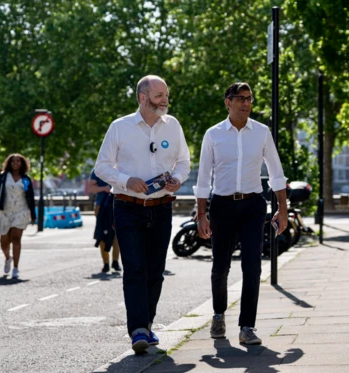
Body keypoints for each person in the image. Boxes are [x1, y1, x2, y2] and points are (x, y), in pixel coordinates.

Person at [94, 75, 190, 354]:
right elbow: (102, 167)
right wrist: (126, 180)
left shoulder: (173, 126)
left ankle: (147, 324)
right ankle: (137, 330)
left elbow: (183, 161)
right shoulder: (120, 127)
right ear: (143, 98)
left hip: (161, 208)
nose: (165, 99)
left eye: (166, 94)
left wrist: (178, 179)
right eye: (159, 95)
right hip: (126, 207)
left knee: (155, 272)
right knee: (134, 269)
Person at [194, 82, 288, 346]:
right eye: (241, 99)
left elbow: (276, 173)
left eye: (250, 99)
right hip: (222, 205)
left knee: (252, 266)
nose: (247, 103)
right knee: (220, 266)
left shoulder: (261, 132)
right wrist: (202, 214)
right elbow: (203, 179)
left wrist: (282, 209)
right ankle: (218, 314)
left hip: (252, 206)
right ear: (228, 102)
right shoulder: (213, 135)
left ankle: (247, 326)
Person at [0, 154, 36, 279]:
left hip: (21, 211)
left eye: (18, 161)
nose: (15, 163)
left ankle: (16, 268)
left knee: (16, 238)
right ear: (9, 163)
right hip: (5, 211)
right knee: (4, 241)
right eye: (13, 161)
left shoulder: (26, 179)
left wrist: (33, 214)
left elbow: (31, 198)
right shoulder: (2, 177)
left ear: (22, 164)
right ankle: (8, 258)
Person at [89, 169, 121, 273]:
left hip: (118, 205)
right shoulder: (97, 169)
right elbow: (91, 188)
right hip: (101, 206)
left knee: (118, 234)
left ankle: (115, 261)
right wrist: (104, 188)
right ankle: (106, 263)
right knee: (102, 234)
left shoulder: (121, 166)